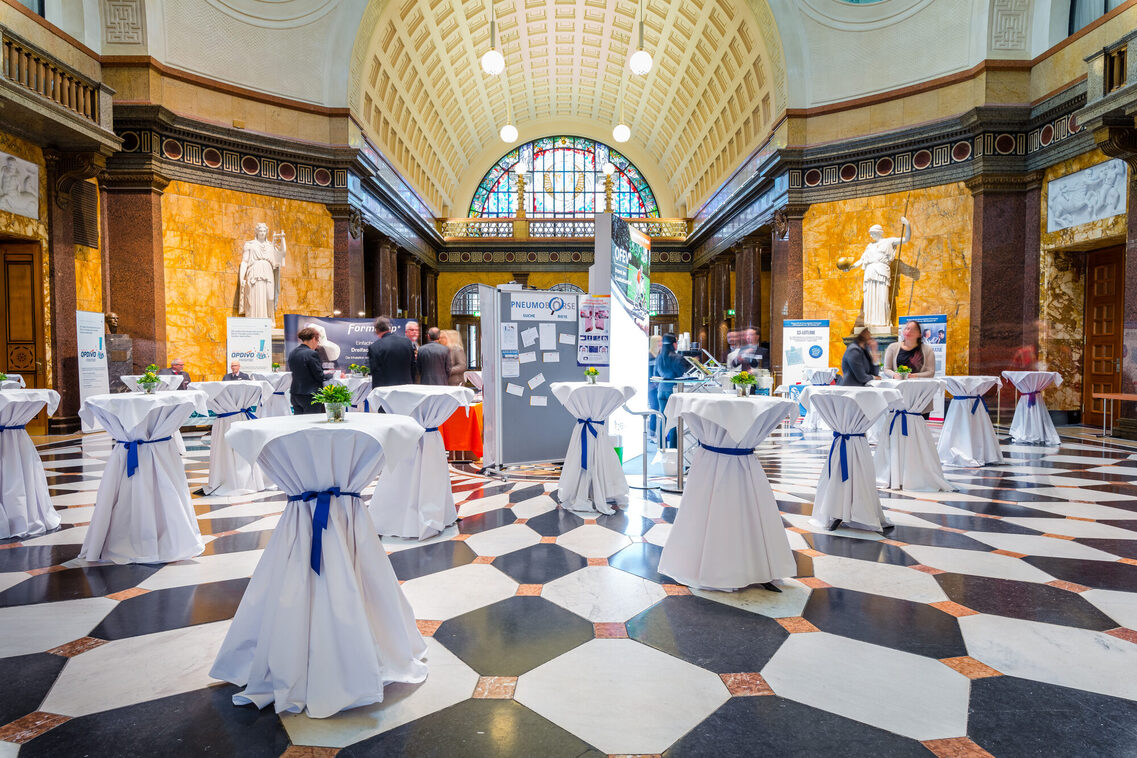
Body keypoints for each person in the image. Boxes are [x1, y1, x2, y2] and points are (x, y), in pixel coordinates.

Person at [847, 217, 911, 329]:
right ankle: (870, 322)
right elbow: (862, 260)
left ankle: (883, 321)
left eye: (873, 233)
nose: (871, 236)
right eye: (870, 234)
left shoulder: (889, 241)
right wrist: (851, 267)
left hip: (882, 272)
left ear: (879, 233)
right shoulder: (869, 246)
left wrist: (907, 225)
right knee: (870, 299)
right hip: (870, 273)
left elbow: (906, 239)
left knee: (882, 298)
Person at [655, 334, 687, 446]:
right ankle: (673, 449)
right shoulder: (678, 358)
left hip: (661, 391)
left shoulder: (659, 357)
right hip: (673, 391)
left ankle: (661, 446)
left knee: (663, 419)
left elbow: (655, 374)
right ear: (674, 344)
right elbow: (682, 374)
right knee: (673, 421)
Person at [368, 316, 416, 387]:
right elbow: (413, 366)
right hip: (406, 388)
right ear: (389, 328)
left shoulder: (375, 347)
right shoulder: (407, 342)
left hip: (386, 391)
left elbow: (375, 372)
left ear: (376, 330)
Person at [287, 327, 325, 414]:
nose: (317, 344)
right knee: (312, 425)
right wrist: (330, 375)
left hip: (295, 394)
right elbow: (319, 376)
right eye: (317, 341)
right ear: (313, 339)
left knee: (299, 424)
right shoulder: (312, 353)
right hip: (310, 396)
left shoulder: (292, 352)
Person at [647, 334, 662, 438]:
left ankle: (655, 433)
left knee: (657, 408)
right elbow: (649, 373)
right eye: (659, 341)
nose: (661, 343)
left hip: (657, 386)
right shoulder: (649, 355)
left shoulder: (658, 355)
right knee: (654, 408)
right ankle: (652, 433)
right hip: (651, 387)